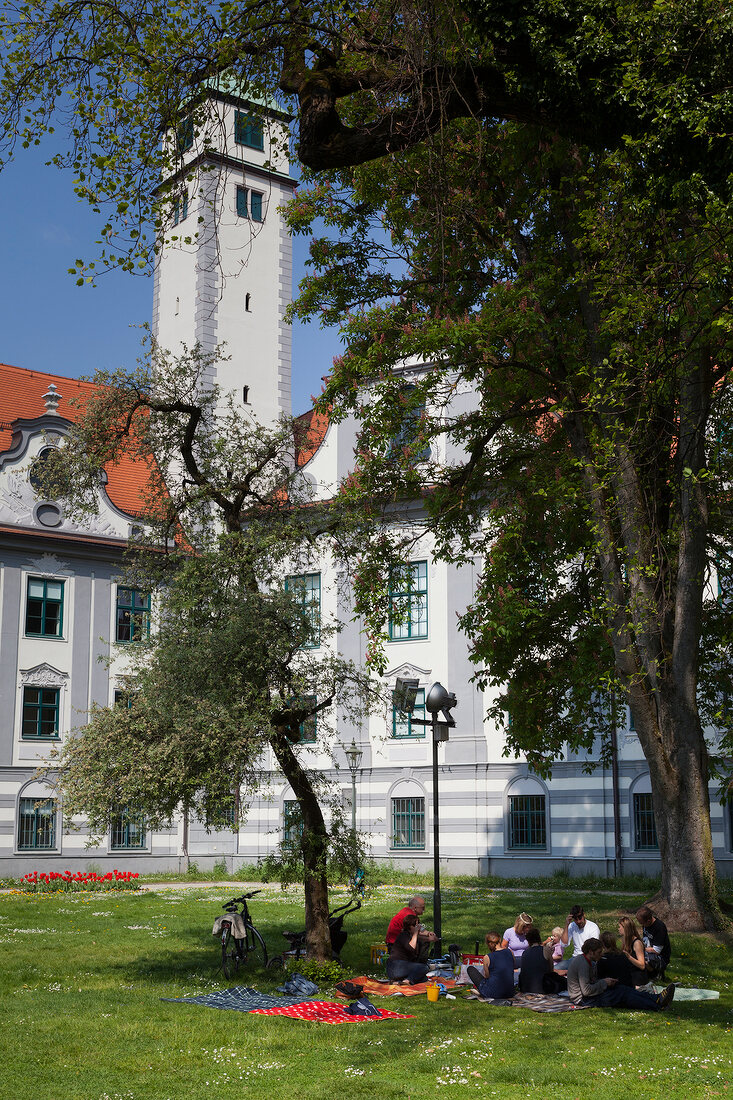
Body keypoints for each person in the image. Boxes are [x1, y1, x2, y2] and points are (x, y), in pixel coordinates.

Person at [566, 938, 675, 1010]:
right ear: (590, 952)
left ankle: (657, 998)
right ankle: (657, 1005)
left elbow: (592, 983)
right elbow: (586, 991)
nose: (601, 955)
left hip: (590, 995)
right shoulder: (582, 963)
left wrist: (606, 982)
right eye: (599, 953)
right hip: (583, 1000)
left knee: (622, 988)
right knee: (622, 994)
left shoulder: (589, 961)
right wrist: (604, 983)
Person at [385, 895, 438, 962]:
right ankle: (420, 963)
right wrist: (428, 938)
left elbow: (417, 930)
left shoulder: (408, 912)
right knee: (424, 941)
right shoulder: (409, 915)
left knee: (424, 939)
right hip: (394, 944)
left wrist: (428, 933)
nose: (424, 910)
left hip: (397, 941)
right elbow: (415, 933)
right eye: (422, 907)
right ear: (415, 908)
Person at [467, 932, 515, 1000]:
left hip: (492, 993)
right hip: (509, 992)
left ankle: (481, 991)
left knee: (470, 969)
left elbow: (487, 976)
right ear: (500, 940)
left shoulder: (487, 957)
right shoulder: (510, 952)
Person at [385, 913, 430, 985]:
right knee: (425, 967)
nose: (417, 928)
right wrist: (415, 933)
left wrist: (428, 936)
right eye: (415, 926)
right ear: (409, 926)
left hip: (402, 968)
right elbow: (412, 948)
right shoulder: (403, 936)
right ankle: (407, 981)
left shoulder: (411, 937)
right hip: (395, 966)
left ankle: (397, 982)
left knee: (424, 978)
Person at [618, 915, 653, 988]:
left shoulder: (637, 943)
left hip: (638, 977)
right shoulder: (625, 940)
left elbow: (642, 965)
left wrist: (629, 957)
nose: (618, 929)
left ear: (625, 928)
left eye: (619, 927)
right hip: (629, 973)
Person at [637, 906, 671, 976]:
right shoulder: (646, 925)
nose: (642, 925)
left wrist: (641, 949)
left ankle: (656, 974)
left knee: (642, 959)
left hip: (661, 957)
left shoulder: (659, 927)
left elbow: (657, 950)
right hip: (649, 951)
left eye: (642, 923)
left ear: (648, 921)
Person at [518, 926, 553, 993]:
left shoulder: (525, 953)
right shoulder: (545, 950)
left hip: (526, 988)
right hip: (542, 988)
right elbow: (551, 970)